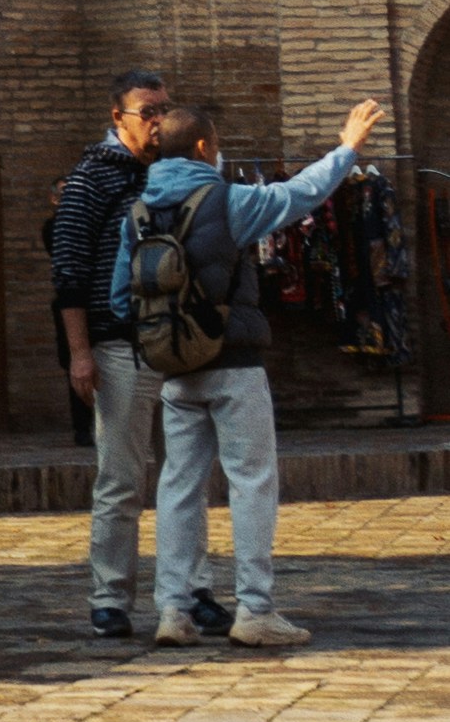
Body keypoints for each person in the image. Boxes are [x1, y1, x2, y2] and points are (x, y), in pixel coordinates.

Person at [106, 90, 388, 651]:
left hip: (175, 372)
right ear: (206, 147)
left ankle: (173, 612)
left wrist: (172, 331)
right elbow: (301, 194)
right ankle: (255, 610)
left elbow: (120, 302)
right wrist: (347, 149)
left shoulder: (137, 215)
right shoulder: (228, 201)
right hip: (234, 365)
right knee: (251, 483)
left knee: (179, 488)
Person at [51, 66, 172, 645]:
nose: (158, 122)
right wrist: (80, 353)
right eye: (147, 111)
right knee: (122, 478)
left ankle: (185, 595)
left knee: (184, 478)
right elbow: (69, 271)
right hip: (120, 347)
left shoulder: (170, 176)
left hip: (176, 346)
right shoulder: (90, 179)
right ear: (117, 117)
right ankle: (110, 599)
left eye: (163, 110)